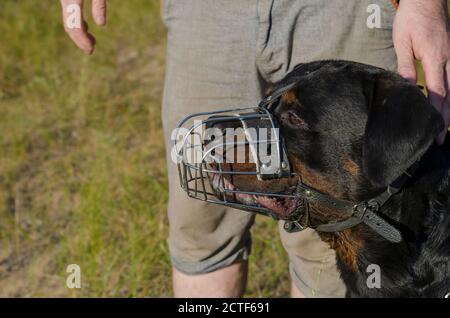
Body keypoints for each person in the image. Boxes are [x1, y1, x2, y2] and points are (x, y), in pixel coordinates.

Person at [59, 0, 450, 297]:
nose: (237, 143)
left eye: (292, 121)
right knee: (201, 222)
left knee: (333, 231)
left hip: (343, 8)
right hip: (208, 12)